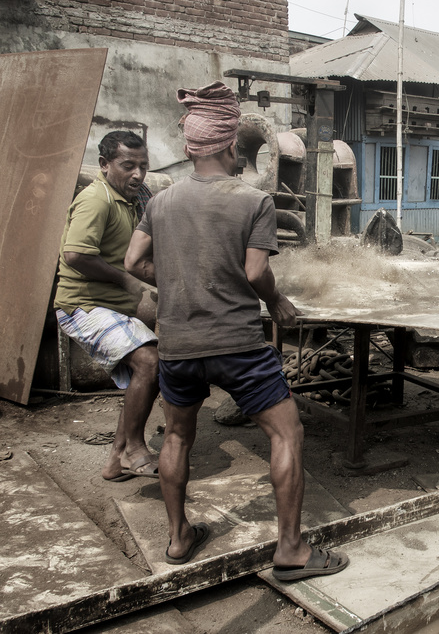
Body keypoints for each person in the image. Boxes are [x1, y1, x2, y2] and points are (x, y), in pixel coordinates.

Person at [125, 81, 348, 579]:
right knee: (286, 431)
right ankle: (291, 550)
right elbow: (253, 274)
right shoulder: (252, 201)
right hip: (238, 346)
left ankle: (179, 537)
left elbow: (133, 260)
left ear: (190, 147)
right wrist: (276, 300)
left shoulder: (159, 202)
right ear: (229, 145)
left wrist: (180, 284)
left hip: (179, 345)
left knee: (179, 436)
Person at [54, 130, 160, 482]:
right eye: (128, 166)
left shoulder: (133, 199)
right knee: (149, 361)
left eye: (143, 166)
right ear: (104, 164)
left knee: (145, 372)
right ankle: (133, 449)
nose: (138, 174)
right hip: (82, 305)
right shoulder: (95, 200)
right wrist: (125, 279)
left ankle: (117, 460)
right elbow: (75, 254)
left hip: (115, 306)